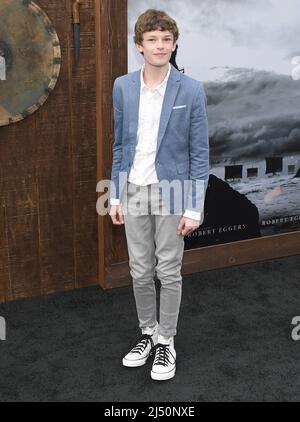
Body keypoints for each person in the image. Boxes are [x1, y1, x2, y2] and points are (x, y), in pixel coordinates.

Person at [109, 9, 209, 381]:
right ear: (140, 46)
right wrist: (116, 195)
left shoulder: (191, 89)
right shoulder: (123, 86)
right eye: (152, 39)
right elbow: (120, 145)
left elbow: (200, 154)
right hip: (133, 189)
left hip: (174, 190)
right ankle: (147, 334)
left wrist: (194, 206)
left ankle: (167, 340)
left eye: (166, 39)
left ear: (175, 43)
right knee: (139, 270)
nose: (160, 45)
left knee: (168, 269)